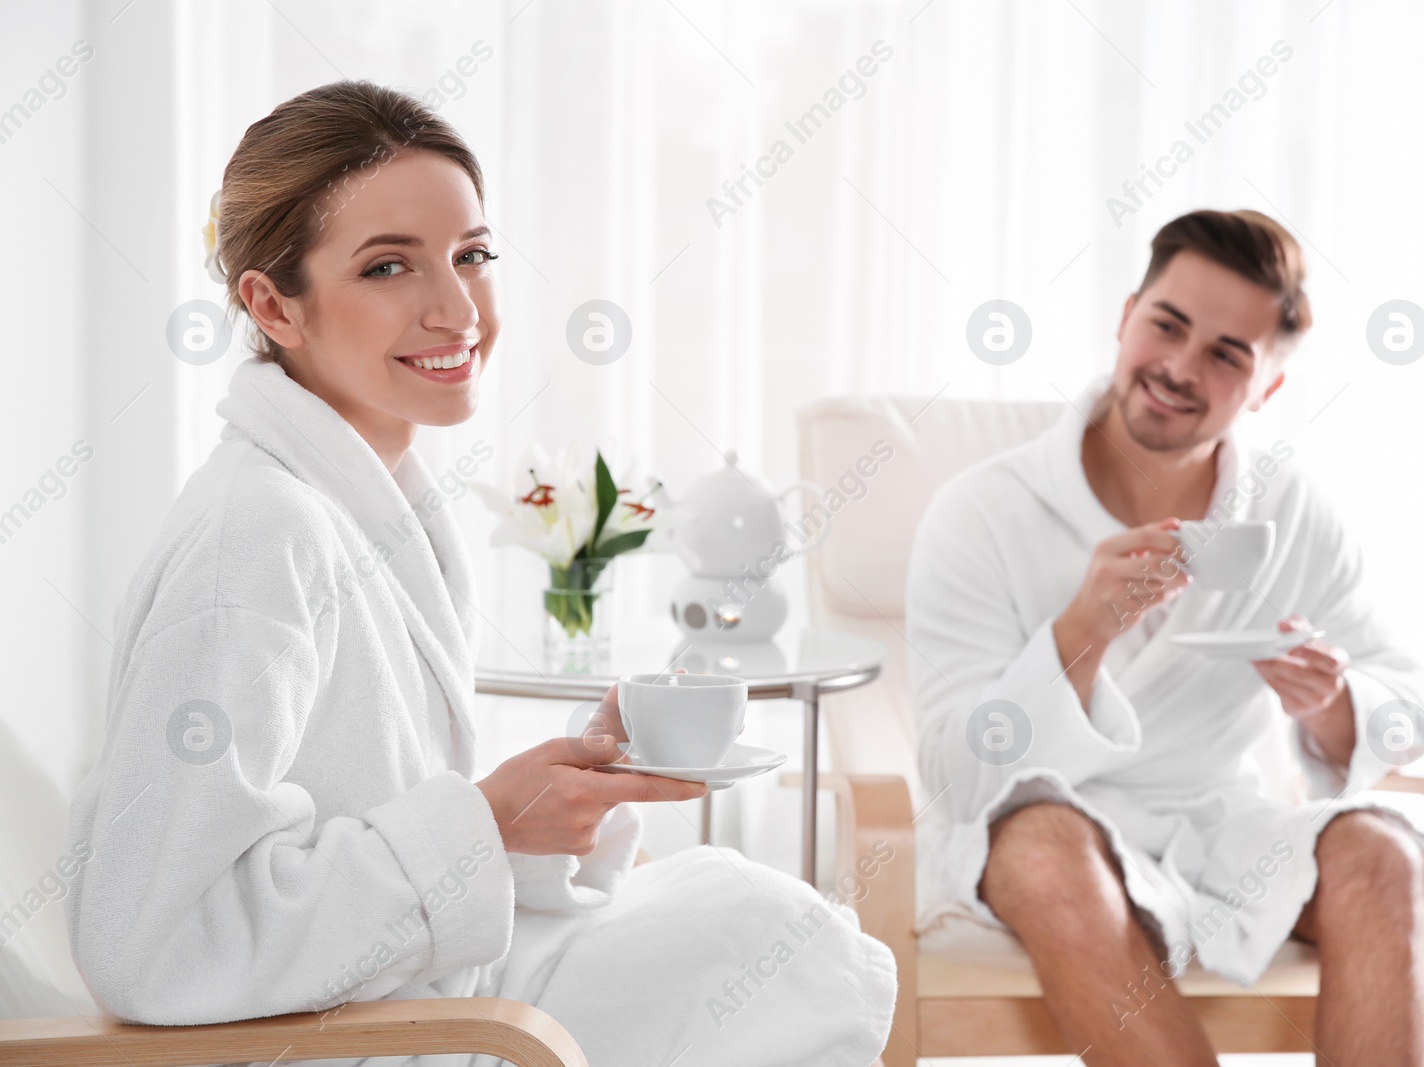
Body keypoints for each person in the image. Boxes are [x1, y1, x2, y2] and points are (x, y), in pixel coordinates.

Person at [62, 80, 895, 1067]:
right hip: (345, 1037)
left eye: (472, 256)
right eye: (387, 267)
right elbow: (149, 941)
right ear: (271, 304)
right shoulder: (257, 534)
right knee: (768, 939)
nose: (455, 308)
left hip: (404, 996)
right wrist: (486, 818)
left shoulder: (368, 501)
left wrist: (547, 809)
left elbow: (373, 823)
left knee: (749, 907)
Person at [904, 209, 1424, 1066]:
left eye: (1226, 353)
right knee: (1043, 838)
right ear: (1126, 315)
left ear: (1267, 387)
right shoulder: (983, 510)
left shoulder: (1291, 512)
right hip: (1041, 837)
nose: (1178, 366)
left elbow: (1408, 707)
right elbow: (956, 774)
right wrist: (1080, 631)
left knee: (1380, 850)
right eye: (1166, 326)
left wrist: (1332, 705)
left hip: (1220, 826)